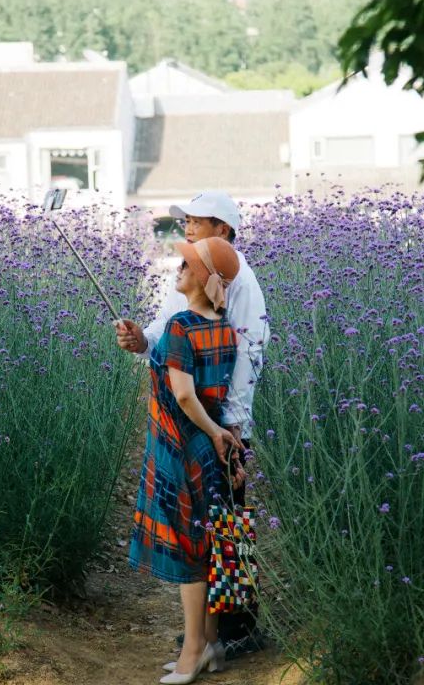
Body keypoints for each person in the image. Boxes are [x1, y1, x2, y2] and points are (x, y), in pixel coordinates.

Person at [116, 191, 270, 658]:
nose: (187, 227)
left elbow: (249, 353)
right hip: (192, 421)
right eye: (186, 221)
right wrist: (143, 339)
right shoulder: (192, 270)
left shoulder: (239, 280)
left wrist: (235, 427)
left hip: (219, 418)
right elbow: (169, 327)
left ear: (223, 230)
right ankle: (206, 635)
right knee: (204, 524)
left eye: (198, 221)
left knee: (227, 524)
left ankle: (237, 630)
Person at [127, 237, 242, 684]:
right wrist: (220, 435)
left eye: (188, 263)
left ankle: (191, 653)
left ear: (203, 279)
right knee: (212, 546)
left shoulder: (180, 327)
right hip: (210, 451)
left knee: (190, 553)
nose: (179, 267)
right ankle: (212, 643)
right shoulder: (225, 325)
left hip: (180, 445)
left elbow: (182, 395)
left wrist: (211, 432)